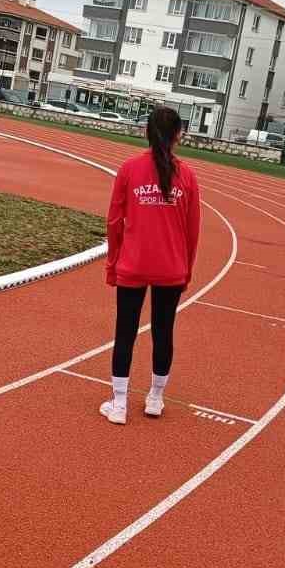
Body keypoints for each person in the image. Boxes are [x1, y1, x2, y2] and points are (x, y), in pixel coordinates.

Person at [102, 106, 201, 424]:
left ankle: (119, 404)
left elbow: (114, 222)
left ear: (146, 132)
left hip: (133, 265)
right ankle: (155, 398)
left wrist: (113, 265)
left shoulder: (129, 169)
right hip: (171, 268)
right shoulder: (188, 176)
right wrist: (186, 271)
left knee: (125, 332)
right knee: (163, 331)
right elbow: (193, 231)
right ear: (178, 135)